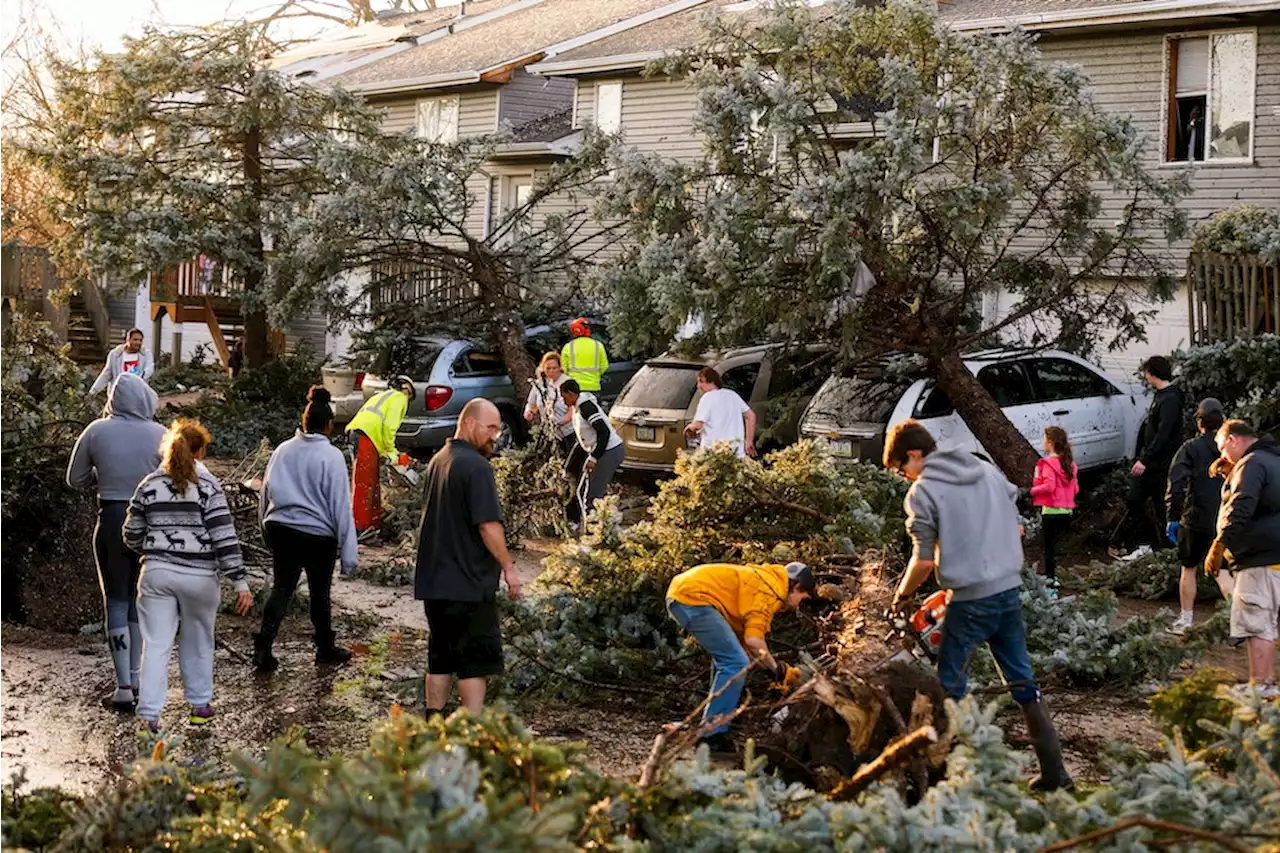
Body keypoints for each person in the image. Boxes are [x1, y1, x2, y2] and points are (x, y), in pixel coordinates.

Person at [886, 419, 1071, 791]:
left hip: (970, 601)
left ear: (913, 455)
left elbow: (921, 561)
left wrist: (901, 597)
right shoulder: (984, 470)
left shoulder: (923, 492)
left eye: (901, 468)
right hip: (1007, 592)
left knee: (949, 689)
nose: (904, 477)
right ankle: (1057, 775)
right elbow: (1016, 527)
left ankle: (945, 782)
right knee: (1023, 682)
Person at [123, 420, 252, 731]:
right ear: (200, 452)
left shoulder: (148, 485)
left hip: (157, 574)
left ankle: (150, 717)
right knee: (198, 641)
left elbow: (130, 533)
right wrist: (240, 581)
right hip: (199, 578)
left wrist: (153, 547)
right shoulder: (209, 487)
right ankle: (198, 706)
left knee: (155, 645)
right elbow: (224, 537)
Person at [66, 374, 168, 711]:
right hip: (150, 524)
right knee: (141, 602)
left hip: (111, 519)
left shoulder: (96, 431)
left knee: (116, 601)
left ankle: (123, 685)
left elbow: (74, 478)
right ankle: (139, 678)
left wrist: (103, 474)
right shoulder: (161, 435)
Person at [414, 398, 523, 715]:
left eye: (498, 429)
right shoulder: (476, 467)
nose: (495, 436)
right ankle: (470, 729)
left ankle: (433, 723)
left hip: (435, 581)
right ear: (469, 423)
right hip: (467, 582)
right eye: (490, 428)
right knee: (473, 663)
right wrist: (509, 568)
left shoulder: (439, 460)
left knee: (440, 657)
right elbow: (488, 525)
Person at [253, 386, 360, 672]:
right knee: (319, 593)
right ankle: (325, 648)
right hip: (317, 536)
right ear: (328, 425)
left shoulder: (282, 450)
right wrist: (349, 555)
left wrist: (265, 528)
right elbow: (341, 506)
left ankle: (264, 644)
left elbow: (265, 492)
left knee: (282, 588)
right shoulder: (332, 456)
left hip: (281, 528)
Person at [666, 561, 815, 753]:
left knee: (730, 658)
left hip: (686, 593)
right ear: (796, 587)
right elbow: (754, 641)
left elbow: (748, 647)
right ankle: (712, 735)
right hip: (693, 598)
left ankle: (715, 723)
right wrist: (776, 669)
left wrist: (775, 670)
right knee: (734, 662)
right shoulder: (770, 591)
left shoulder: (766, 580)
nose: (798, 606)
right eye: (802, 598)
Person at [1206, 419, 1280, 694]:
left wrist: (1219, 545)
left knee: (1256, 619)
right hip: (1274, 555)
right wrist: (1231, 476)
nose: (1221, 456)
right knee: (1271, 621)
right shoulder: (1272, 460)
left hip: (1257, 557)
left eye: (1222, 448)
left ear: (1233, 439)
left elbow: (1242, 505)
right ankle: (1269, 683)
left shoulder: (1252, 463)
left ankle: (1261, 684)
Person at [1164, 398, 1234, 635]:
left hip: (1194, 518)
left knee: (1189, 568)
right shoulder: (1230, 449)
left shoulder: (1190, 448)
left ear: (1200, 422)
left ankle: (1185, 620)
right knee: (1222, 571)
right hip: (1224, 519)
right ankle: (1240, 620)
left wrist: (1172, 516)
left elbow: (1177, 482)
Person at [1115, 355, 1185, 561]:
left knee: (1160, 505)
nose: (1145, 377)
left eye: (1147, 372)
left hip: (1161, 464)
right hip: (1153, 462)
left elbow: (1164, 434)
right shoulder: (1161, 396)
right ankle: (1147, 545)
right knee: (1135, 499)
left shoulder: (1170, 399)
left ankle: (1166, 549)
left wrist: (1145, 459)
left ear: (1153, 373)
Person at [345, 376, 415, 534]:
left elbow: (379, 425)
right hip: (367, 436)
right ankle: (360, 527)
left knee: (372, 481)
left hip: (361, 433)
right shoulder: (400, 398)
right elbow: (389, 428)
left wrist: (388, 453)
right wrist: (393, 454)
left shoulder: (382, 395)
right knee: (365, 484)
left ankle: (373, 523)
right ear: (407, 392)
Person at [560, 379, 626, 527]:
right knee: (582, 490)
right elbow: (583, 439)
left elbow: (604, 432)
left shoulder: (586, 407)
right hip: (599, 450)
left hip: (609, 451)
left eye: (564, 396)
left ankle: (597, 532)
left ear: (571, 394)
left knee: (593, 496)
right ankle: (590, 527)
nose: (563, 400)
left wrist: (594, 458)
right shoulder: (577, 408)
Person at [1031, 426, 1078, 592]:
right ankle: (1057, 575)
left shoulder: (1046, 464)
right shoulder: (1070, 464)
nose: (1042, 442)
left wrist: (1031, 491)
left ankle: (1051, 578)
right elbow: (1076, 489)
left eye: (1044, 439)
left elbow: (1049, 487)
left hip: (1050, 511)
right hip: (1066, 511)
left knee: (1048, 547)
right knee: (1057, 546)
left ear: (1050, 443)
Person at [683, 366, 757, 458]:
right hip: (736, 453)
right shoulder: (732, 395)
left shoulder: (707, 398)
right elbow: (751, 416)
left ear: (712, 381)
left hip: (714, 455)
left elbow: (697, 425)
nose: (698, 386)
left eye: (701, 381)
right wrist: (749, 441)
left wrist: (689, 427)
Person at [523, 352, 575, 450]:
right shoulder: (539, 384)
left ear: (560, 368)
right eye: (548, 368)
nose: (551, 371)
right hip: (549, 433)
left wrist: (561, 421)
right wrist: (528, 412)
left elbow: (573, 408)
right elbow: (531, 404)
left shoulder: (568, 382)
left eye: (554, 368)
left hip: (568, 432)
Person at [89, 328, 155, 396]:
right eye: (135, 340)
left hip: (138, 394)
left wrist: (141, 377)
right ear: (128, 339)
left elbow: (150, 368)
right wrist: (93, 391)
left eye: (140, 340)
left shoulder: (146, 354)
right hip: (119, 395)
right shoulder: (115, 354)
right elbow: (106, 374)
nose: (138, 342)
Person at [560, 317, 609, 393]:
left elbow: (564, 369)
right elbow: (604, 366)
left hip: (574, 389)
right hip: (594, 387)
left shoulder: (568, 347)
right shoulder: (598, 345)